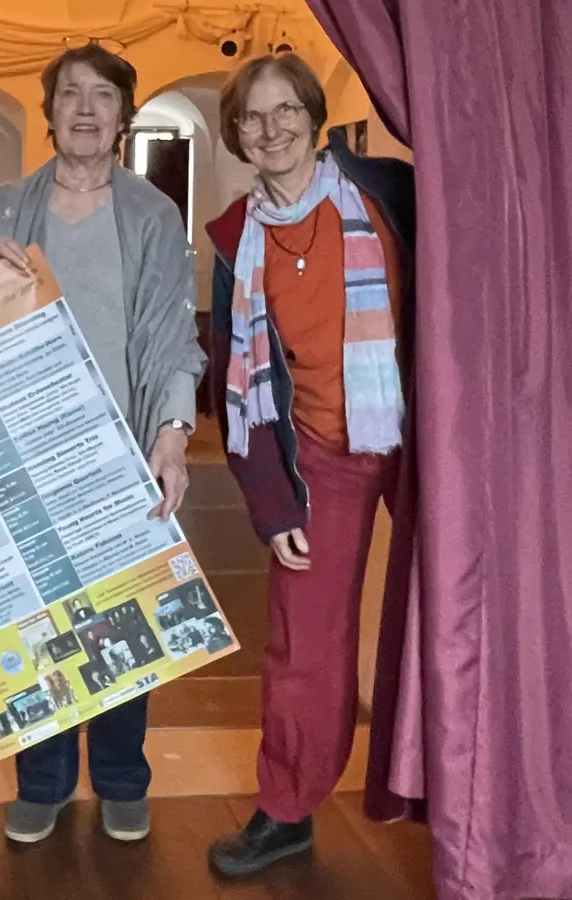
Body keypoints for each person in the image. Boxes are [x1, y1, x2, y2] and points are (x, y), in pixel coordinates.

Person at [0, 41, 206, 845]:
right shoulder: (2, 208)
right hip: (20, 452)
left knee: (125, 620)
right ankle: (44, 779)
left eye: (102, 96)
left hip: (119, 449)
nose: (85, 109)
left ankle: (123, 776)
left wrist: (171, 431)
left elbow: (171, 339)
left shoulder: (154, 215)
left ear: (124, 117)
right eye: (69, 95)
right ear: (49, 111)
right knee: (36, 623)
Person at [201, 53, 414, 878]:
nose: (272, 128)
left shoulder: (386, 191)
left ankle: (477, 789)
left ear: (315, 116)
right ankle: (287, 808)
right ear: (238, 135)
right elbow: (235, 380)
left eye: (287, 110)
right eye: (254, 118)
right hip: (320, 453)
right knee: (305, 645)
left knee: (460, 612)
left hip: (423, 435)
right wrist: (272, 502)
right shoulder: (232, 239)